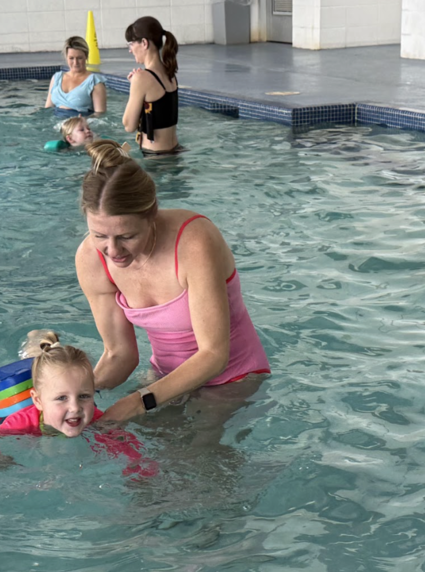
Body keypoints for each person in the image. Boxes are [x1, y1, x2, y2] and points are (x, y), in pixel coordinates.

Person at [74, 140, 270, 422]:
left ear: (151, 215)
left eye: (127, 236)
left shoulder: (194, 241)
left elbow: (214, 354)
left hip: (233, 378)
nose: (113, 251)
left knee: (194, 447)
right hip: (163, 379)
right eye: (100, 235)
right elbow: (120, 354)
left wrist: (139, 402)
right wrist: (74, 397)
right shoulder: (91, 259)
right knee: (108, 435)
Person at [0, 331, 154, 475]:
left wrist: (138, 469)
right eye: (62, 398)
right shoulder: (19, 423)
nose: (75, 408)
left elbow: (126, 444)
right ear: (37, 400)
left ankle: (39, 340)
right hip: (13, 399)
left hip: (48, 387)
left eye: (84, 396)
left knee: (43, 365)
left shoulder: (95, 419)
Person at [123, 16, 180, 154]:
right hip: (175, 151)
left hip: (155, 158)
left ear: (144, 43)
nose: (130, 50)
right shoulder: (170, 73)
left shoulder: (141, 78)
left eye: (131, 44)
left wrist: (134, 86)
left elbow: (129, 126)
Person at [44, 36, 107, 118]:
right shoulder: (56, 78)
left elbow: (100, 114)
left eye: (79, 58)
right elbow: (48, 109)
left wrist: (80, 123)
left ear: (86, 57)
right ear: (66, 57)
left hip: (80, 123)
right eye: (71, 58)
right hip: (55, 122)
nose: (75, 62)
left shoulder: (94, 82)